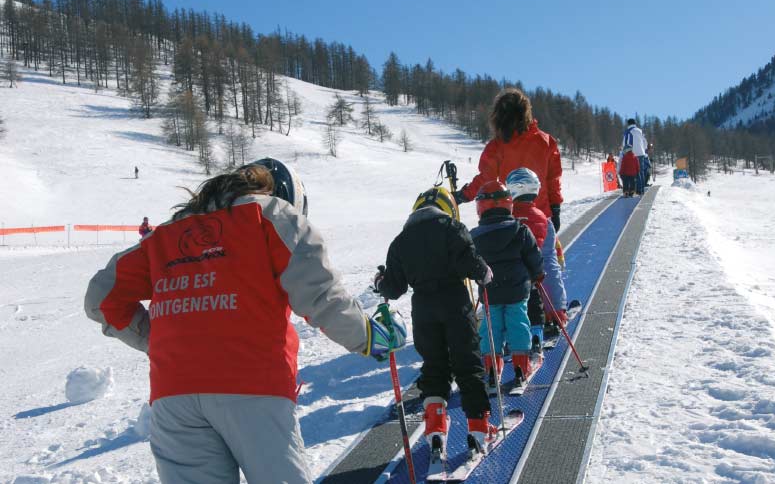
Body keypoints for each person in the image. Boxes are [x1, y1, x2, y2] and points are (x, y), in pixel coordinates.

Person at [85, 158, 405, 484]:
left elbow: (101, 298)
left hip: (174, 396)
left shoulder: (165, 235)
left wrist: (161, 342)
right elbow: (320, 297)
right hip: (252, 386)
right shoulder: (272, 215)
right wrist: (370, 335)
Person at [376, 186, 496, 457]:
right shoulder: (452, 227)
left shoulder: (401, 240)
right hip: (455, 303)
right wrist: (484, 273)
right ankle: (479, 428)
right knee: (468, 364)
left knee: (434, 366)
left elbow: (393, 288)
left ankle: (435, 431)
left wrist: (381, 283)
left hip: (423, 309)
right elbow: (470, 263)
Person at [454, 88, 563, 233]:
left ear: (499, 117)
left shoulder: (497, 146)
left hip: (510, 221)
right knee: (548, 255)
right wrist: (555, 209)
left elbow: (486, 180)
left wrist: (463, 195)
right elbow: (553, 180)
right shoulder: (546, 142)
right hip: (542, 220)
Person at [470, 181, 544, 390]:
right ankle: (521, 367)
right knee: (518, 324)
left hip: (490, 292)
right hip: (517, 289)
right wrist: (538, 274)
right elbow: (533, 256)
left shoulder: (475, 236)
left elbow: (470, 261)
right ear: (508, 204)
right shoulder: (520, 229)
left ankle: (492, 368)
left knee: (490, 329)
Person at [506, 168, 569, 350]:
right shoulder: (543, 219)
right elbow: (550, 256)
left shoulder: (508, 218)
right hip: (537, 274)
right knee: (549, 264)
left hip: (513, 278)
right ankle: (554, 312)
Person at [622, 119, 648, 194]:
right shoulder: (640, 131)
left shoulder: (628, 131)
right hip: (641, 153)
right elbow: (645, 142)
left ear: (628, 124)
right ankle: (641, 190)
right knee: (641, 172)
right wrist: (644, 150)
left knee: (633, 173)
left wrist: (624, 153)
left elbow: (626, 144)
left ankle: (634, 189)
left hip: (633, 154)